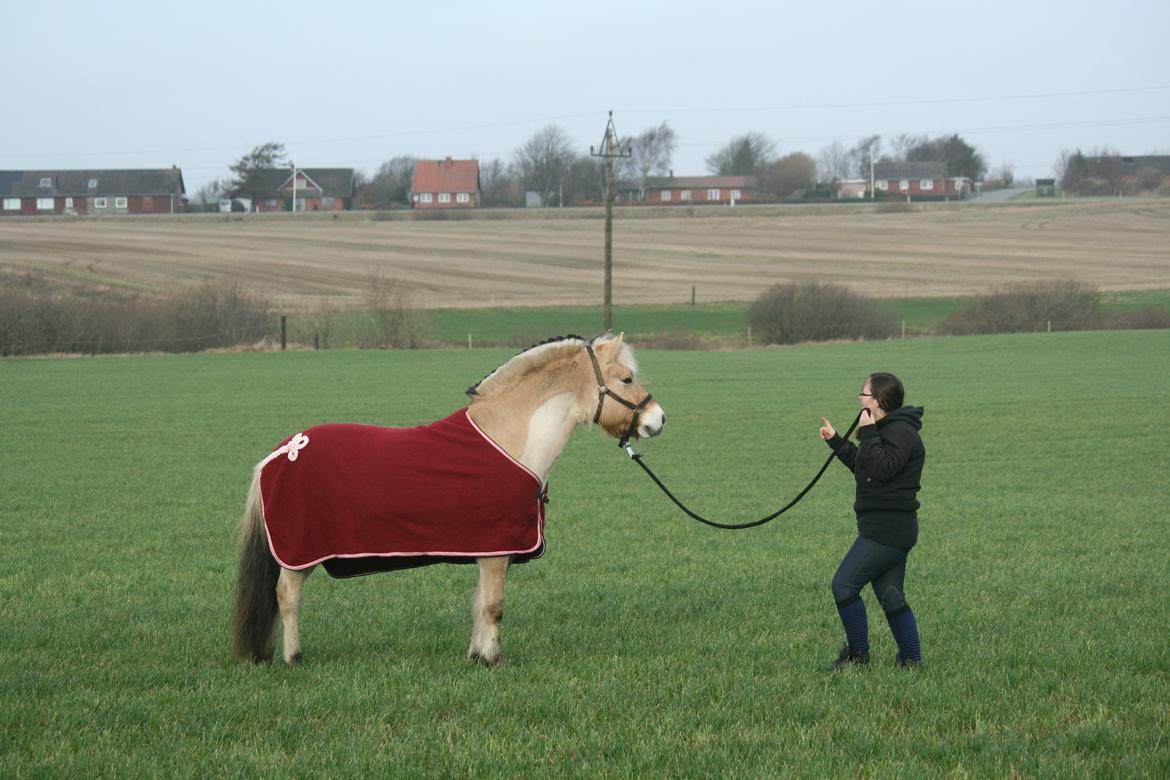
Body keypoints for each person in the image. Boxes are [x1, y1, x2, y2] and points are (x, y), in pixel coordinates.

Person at [818, 372, 925, 670]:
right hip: (886, 528)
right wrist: (836, 441)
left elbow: (882, 469)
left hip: (887, 530)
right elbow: (864, 466)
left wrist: (868, 433)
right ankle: (911, 659)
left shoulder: (901, 432)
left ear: (878, 401)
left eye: (863, 394)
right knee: (890, 596)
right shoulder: (886, 429)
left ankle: (858, 656)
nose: (860, 399)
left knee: (843, 586)